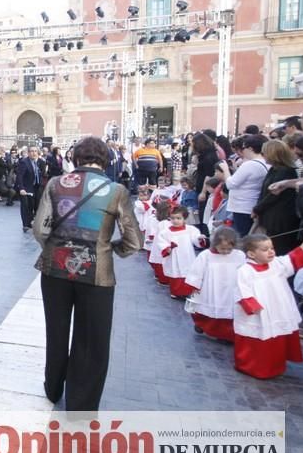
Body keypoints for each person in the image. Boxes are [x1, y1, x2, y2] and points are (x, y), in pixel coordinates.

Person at [33, 136, 142, 411]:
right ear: (104, 160)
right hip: (97, 272)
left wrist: (57, 248)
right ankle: (81, 401)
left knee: (56, 331)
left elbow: (40, 229)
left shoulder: (56, 183)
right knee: (92, 338)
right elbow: (134, 241)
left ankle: (53, 387)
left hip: (55, 269)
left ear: (76, 158)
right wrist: (112, 249)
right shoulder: (115, 189)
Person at [234, 234, 303, 378]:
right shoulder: (245, 270)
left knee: (276, 340)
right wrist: (252, 305)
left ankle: (275, 367)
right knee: (259, 340)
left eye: (272, 248)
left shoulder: (277, 264)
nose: (271, 251)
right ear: (251, 253)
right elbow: (242, 290)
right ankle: (253, 368)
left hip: (278, 310)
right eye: (265, 249)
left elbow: (295, 256)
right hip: (259, 313)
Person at [184, 227, 244, 342]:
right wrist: (194, 286)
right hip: (210, 288)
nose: (225, 252)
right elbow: (196, 271)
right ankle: (203, 325)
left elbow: (245, 269)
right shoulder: (206, 256)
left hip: (230, 289)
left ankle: (226, 334)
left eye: (229, 249)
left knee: (228, 312)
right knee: (206, 309)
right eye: (222, 248)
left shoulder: (239, 255)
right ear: (215, 244)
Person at [252, 140, 299, 255]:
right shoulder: (274, 169)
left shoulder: (285, 171)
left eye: (264, 153)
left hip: (281, 219)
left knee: (279, 249)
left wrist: (257, 209)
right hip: (271, 216)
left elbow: (273, 195)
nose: (263, 156)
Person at [157, 206, 208, 299]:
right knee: (175, 273)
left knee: (188, 273)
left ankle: (187, 291)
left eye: (178, 218)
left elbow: (195, 238)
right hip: (174, 256)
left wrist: (199, 238)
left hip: (187, 255)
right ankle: (176, 292)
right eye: (173, 218)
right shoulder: (165, 232)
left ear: (184, 218)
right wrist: (167, 248)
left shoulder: (190, 229)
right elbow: (161, 242)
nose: (175, 221)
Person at [16, 146, 42, 232]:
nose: (34, 153)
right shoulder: (24, 162)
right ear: (28, 153)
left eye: (35, 151)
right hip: (26, 188)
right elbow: (19, 176)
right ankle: (25, 225)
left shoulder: (37, 162)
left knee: (34, 206)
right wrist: (21, 188)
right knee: (25, 207)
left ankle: (31, 222)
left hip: (35, 187)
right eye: (31, 151)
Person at [147, 198, 173, 286]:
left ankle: (160, 277)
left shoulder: (162, 222)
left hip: (158, 245)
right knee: (162, 262)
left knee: (158, 262)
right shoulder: (165, 223)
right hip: (162, 245)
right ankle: (163, 279)